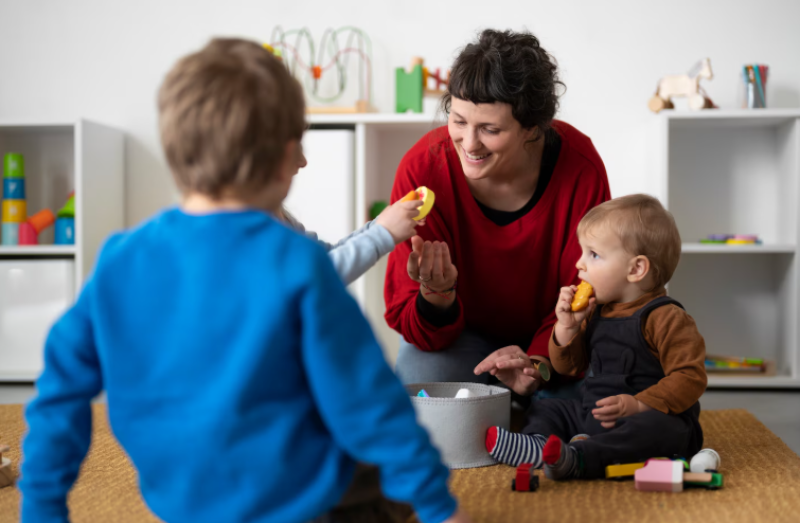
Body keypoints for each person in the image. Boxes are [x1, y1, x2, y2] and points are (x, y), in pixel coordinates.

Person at [20, 38, 470, 523]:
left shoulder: (120, 260)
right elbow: (370, 398)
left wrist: (42, 508)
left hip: (181, 499)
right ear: (283, 158)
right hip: (298, 500)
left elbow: (58, 395)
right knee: (379, 477)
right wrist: (438, 505)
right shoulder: (298, 267)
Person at [385, 29, 611, 399]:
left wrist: (539, 361)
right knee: (424, 400)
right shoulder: (422, 169)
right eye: (458, 121)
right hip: (459, 338)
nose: (469, 143)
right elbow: (413, 320)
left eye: (489, 129)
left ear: (532, 129)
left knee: (600, 403)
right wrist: (436, 296)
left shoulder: (580, 166)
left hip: (559, 336)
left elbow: (591, 289)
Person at [479, 194, 707, 480]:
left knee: (660, 429)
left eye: (593, 255)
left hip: (646, 416)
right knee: (548, 406)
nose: (579, 264)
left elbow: (690, 377)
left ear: (636, 269)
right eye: (583, 252)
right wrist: (566, 328)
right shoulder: (596, 311)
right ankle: (539, 445)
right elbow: (568, 368)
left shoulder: (666, 318)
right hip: (594, 413)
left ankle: (579, 459)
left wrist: (638, 405)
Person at [281, 145, 425, 285]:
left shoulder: (283, 219)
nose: (303, 161)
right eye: (293, 148)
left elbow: (325, 258)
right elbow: (317, 276)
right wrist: (384, 233)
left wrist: (381, 223)